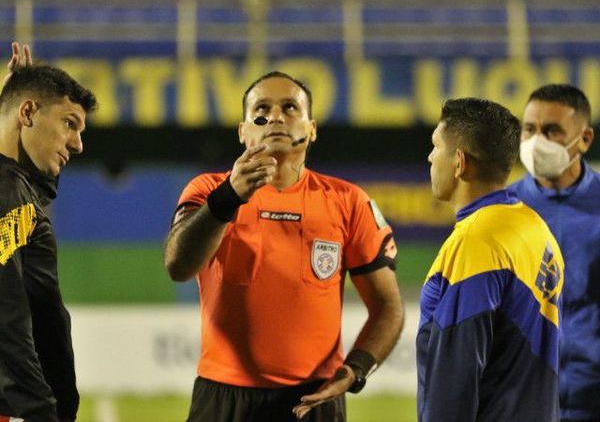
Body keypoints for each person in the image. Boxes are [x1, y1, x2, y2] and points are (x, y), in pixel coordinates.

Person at [164, 71, 404, 421]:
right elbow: (178, 266)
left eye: (290, 107)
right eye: (262, 109)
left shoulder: (349, 202)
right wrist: (228, 198)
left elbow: (388, 306)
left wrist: (356, 370)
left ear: (312, 128)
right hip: (223, 399)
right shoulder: (207, 190)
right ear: (243, 131)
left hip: (314, 398)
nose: (276, 116)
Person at [418, 98, 564, 421]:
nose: (430, 157)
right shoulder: (537, 229)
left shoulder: (475, 243)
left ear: (459, 162)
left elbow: (453, 382)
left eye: (436, 147)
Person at [0, 42, 97, 422]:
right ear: (28, 113)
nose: (78, 144)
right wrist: (40, 411)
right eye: (69, 123)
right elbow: (6, 313)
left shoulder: (17, 191)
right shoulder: (10, 197)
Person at [508, 84, 600, 422]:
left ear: (585, 139)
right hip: (524, 399)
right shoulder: (502, 209)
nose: (536, 142)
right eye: (529, 129)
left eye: (552, 131)